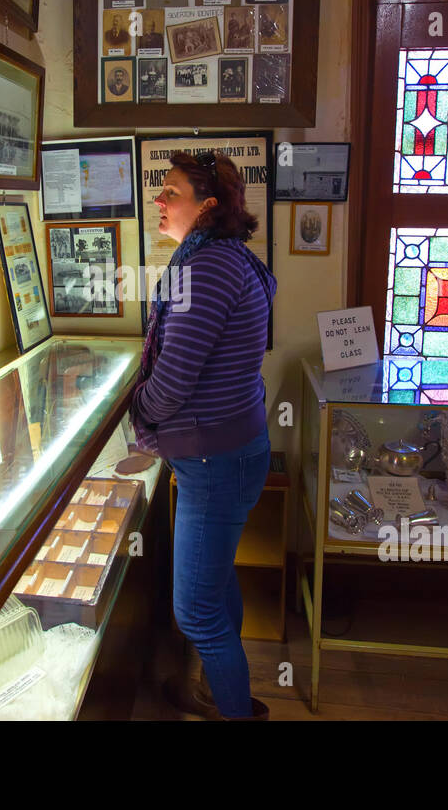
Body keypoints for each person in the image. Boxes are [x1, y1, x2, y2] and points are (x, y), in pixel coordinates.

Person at [131, 150, 277, 721]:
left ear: (207, 206)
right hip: (230, 452)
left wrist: (134, 414)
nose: (160, 202)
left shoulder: (206, 267)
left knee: (196, 614)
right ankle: (218, 694)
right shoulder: (229, 259)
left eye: (171, 192)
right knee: (215, 590)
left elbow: (171, 382)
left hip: (216, 461)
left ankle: (233, 709)